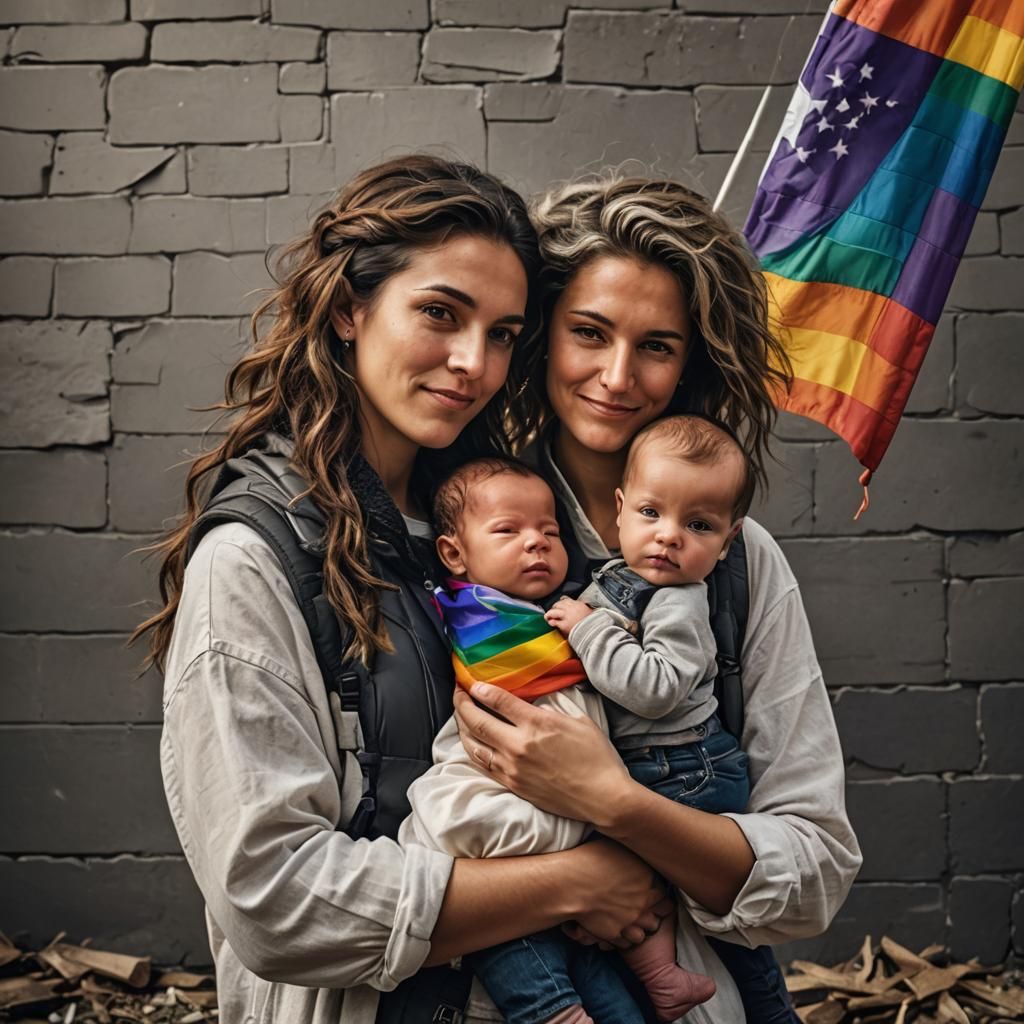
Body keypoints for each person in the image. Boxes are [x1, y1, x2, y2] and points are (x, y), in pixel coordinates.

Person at [133, 157, 671, 1024]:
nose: (473, 363)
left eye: (502, 334)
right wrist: (575, 882)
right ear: (349, 308)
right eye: (439, 313)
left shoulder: (499, 523)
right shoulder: (253, 558)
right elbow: (274, 899)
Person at [449, 176, 863, 1024]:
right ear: (541, 337)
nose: (616, 375)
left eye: (657, 347)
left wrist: (617, 805)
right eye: (588, 333)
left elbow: (814, 872)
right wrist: (572, 877)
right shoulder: (465, 536)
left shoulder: (741, 568)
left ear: (693, 363)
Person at [403, 416, 756, 1024]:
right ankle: (550, 1009)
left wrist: (593, 614)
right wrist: (604, 626)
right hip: (504, 804)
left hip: (563, 796)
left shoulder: (544, 600)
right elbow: (563, 667)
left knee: (603, 937)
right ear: (455, 554)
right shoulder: (474, 608)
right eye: (509, 530)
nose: (538, 542)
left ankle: (655, 979)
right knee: (522, 931)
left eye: (549, 530)